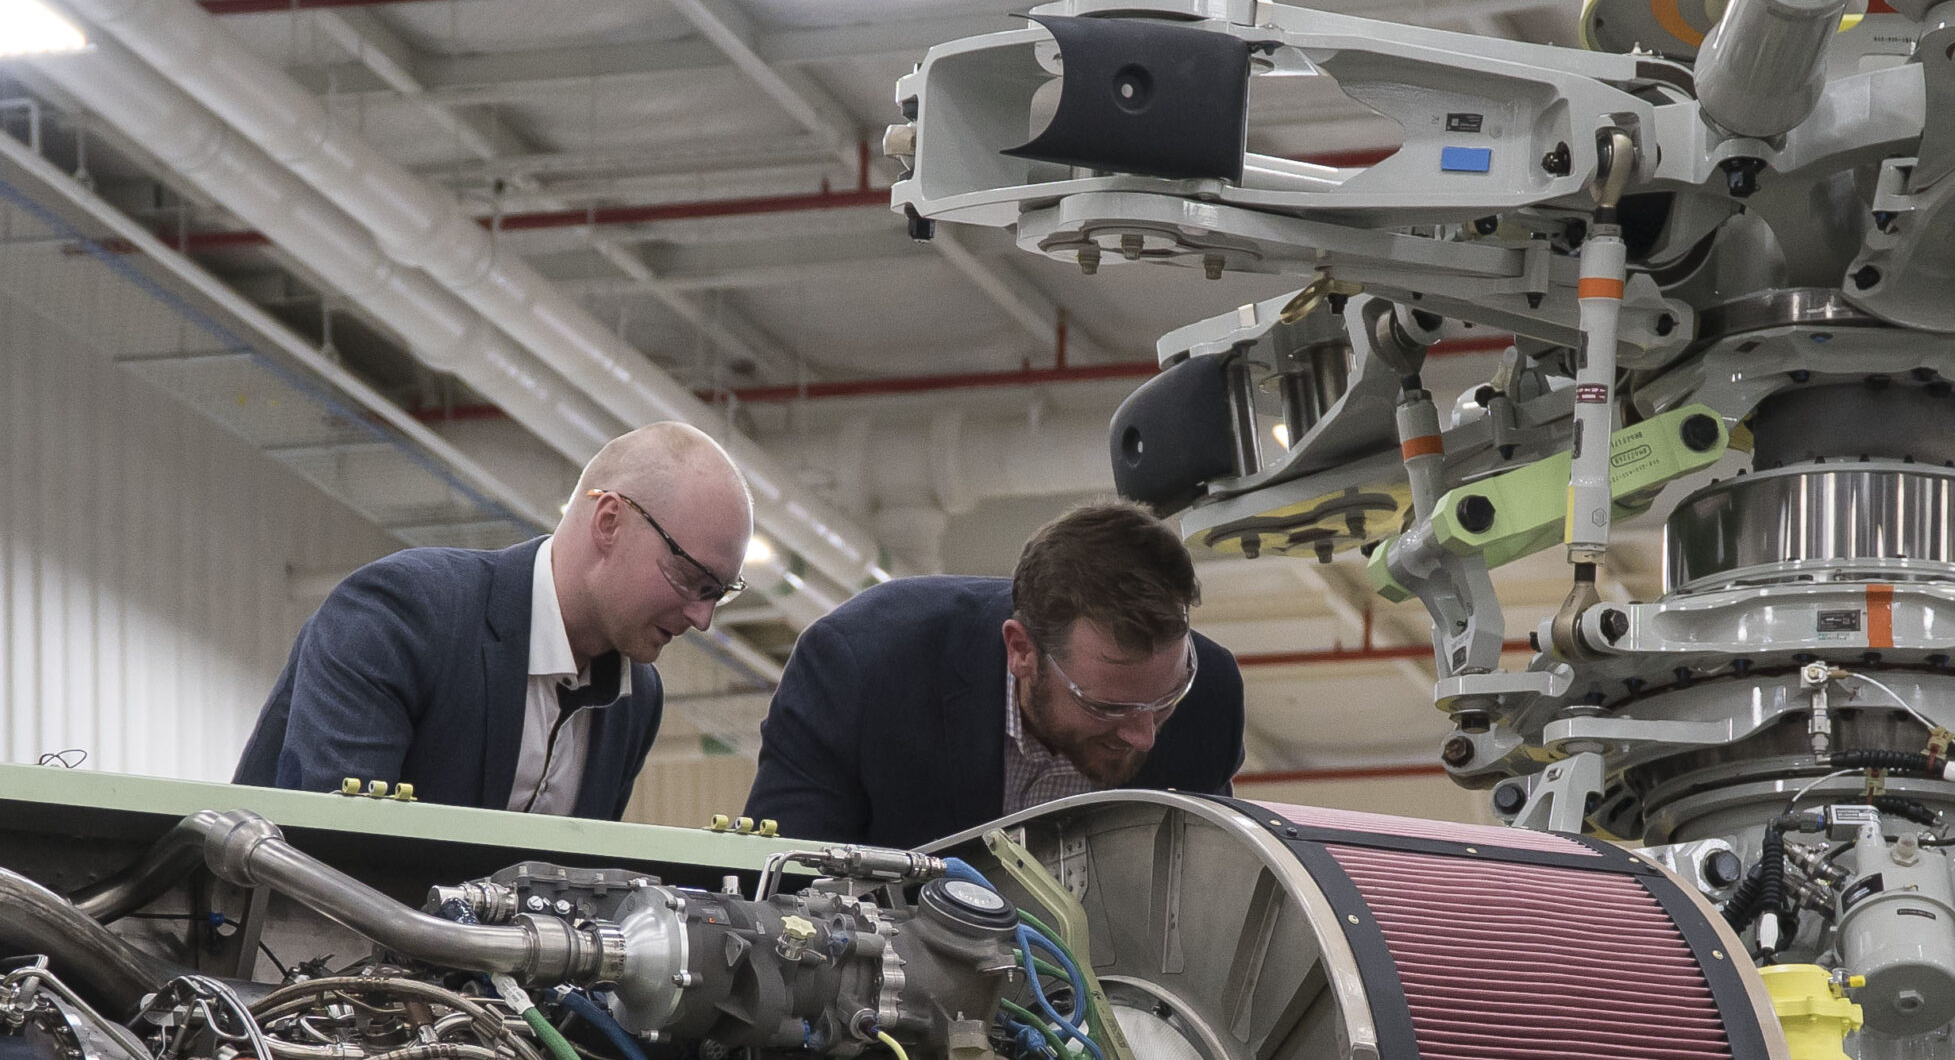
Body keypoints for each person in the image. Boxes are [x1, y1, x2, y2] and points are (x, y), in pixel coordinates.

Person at [236, 422, 753, 820]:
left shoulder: (636, 699)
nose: (702, 618)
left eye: (717, 594)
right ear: (609, 521)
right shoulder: (404, 613)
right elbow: (324, 863)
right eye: (689, 579)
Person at [744, 500, 1244, 848]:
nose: (1143, 736)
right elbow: (781, 891)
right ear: (1022, 650)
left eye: (1166, 699)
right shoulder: (861, 670)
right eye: (1107, 707)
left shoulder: (1211, 697)